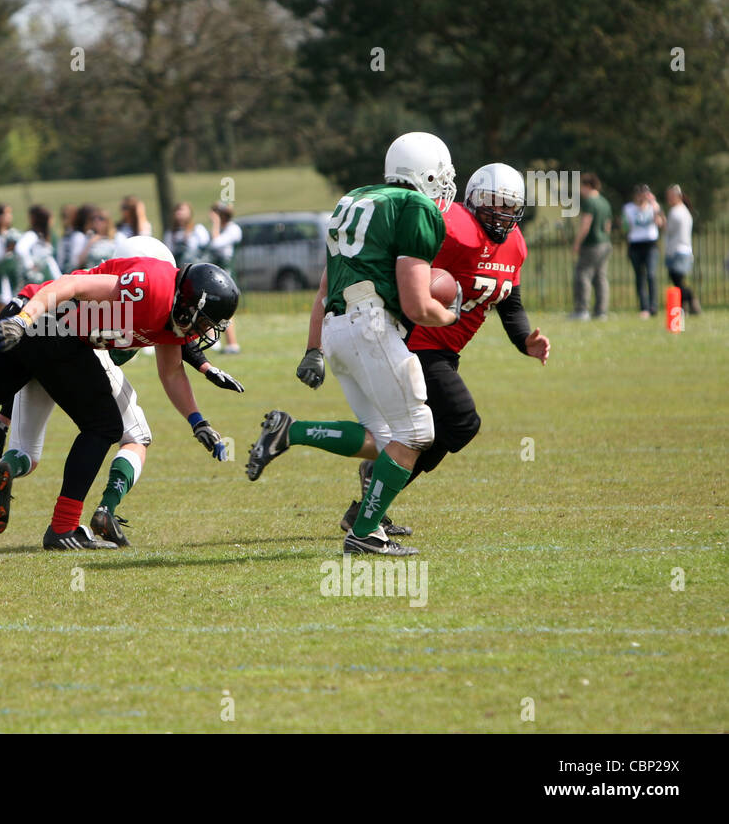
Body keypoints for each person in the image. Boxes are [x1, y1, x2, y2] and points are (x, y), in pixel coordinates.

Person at [244, 131, 460, 557]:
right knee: (417, 432)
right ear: (429, 175)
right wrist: (452, 314)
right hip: (371, 326)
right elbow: (417, 304)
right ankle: (364, 532)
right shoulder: (415, 206)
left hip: (338, 329)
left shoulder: (355, 200)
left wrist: (313, 349)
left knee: (384, 441)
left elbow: (326, 287)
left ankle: (292, 432)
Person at [0, 235, 245, 547]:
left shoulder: (169, 312)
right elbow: (70, 289)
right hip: (51, 327)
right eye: (205, 322)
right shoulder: (146, 287)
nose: (205, 332)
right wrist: (24, 319)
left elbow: (172, 368)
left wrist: (197, 419)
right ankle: (74, 523)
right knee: (113, 428)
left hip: (50, 335)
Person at [335, 163, 550, 536]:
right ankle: (372, 496)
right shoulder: (451, 227)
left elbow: (509, 301)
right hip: (417, 342)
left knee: (431, 433)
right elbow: (403, 260)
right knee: (462, 422)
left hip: (446, 352)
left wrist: (525, 340)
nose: (501, 212)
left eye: (509, 205)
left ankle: (370, 505)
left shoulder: (515, 244)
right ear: (472, 200)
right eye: (492, 203)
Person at [571, 172, 613, 320]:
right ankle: (601, 312)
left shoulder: (589, 201)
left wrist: (577, 243)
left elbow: (585, 225)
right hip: (605, 244)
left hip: (592, 244)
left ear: (588, 186)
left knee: (583, 275)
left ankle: (582, 310)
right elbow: (608, 226)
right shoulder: (604, 202)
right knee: (601, 277)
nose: (580, 191)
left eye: (581, 187)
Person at [205, 202, 243, 353]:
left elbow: (216, 243)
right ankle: (213, 341)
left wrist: (215, 224)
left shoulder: (233, 229)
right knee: (208, 305)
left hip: (226, 272)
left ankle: (232, 343)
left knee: (226, 308)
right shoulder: (222, 228)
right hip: (215, 271)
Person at [623, 184, 665, 318]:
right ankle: (644, 307)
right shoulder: (628, 208)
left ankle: (653, 306)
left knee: (651, 275)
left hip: (650, 244)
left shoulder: (654, 207)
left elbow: (661, 223)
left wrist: (655, 206)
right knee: (639, 276)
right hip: (635, 244)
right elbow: (625, 227)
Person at [664, 184, 700, 316]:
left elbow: (669, 230)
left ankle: (690, 301)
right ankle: (684, 306)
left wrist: (661, 222)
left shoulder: (675, 212)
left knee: (678, 282)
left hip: (677, 250)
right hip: (685, 249)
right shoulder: (685, 211)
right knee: (679, 281)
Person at [16, 204, 62, 284]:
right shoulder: (32, 235)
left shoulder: (44, 237)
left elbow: (49, 261)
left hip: (48, 278)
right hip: (38, 280)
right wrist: (30, 265)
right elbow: (20, 249)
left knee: (52, 296)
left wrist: (59, 279)